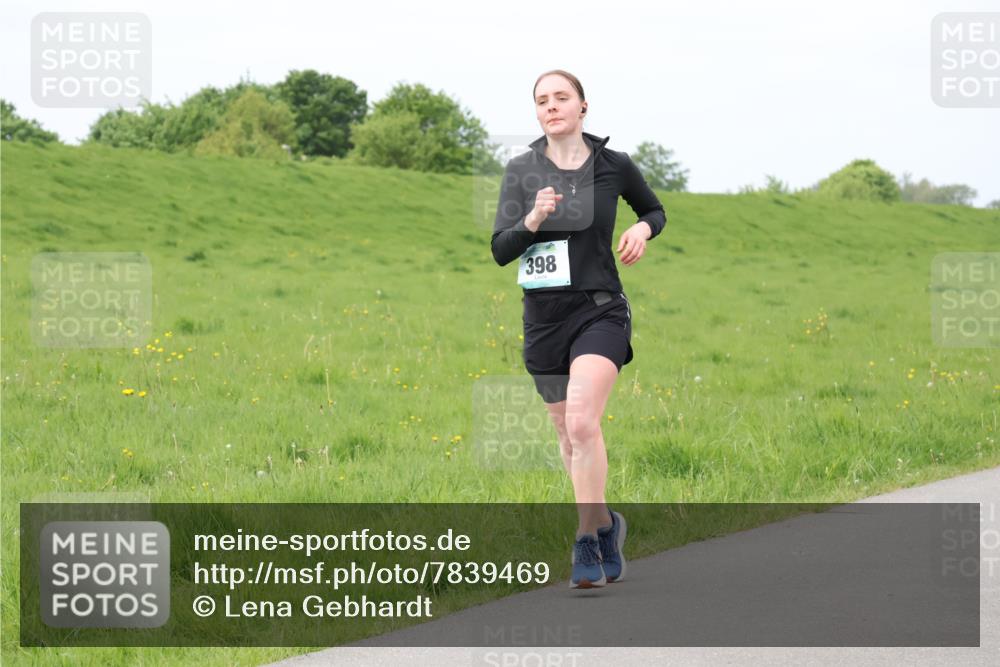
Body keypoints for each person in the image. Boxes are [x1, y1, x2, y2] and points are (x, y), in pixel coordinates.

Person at [491, 69, 668, 589]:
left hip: (600, 311)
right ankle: (608, 524)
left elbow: (654, 209)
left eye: (561, 97)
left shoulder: (614, 164)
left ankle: (586, 539)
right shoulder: (522, 169)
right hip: (543, 321)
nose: (551, 106)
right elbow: (501, 250)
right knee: (567, 437)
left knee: (583, 424)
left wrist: (641, 228)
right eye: (542, 100)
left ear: (583, 107)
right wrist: (532, 219)